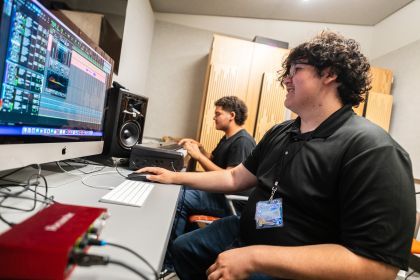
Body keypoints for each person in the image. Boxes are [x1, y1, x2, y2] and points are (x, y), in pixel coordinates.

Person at [140, 31, 415, 280]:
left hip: (292, 265)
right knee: (183, 248)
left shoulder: (373, 150)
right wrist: (174, 178)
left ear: (329, 74)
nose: (286, 79)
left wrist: (256, 256)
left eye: (296, 70)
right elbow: (236, 177)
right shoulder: (283, 131)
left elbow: (377, 268)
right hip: (248, 231)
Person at [162, 96, 256, 275]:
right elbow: (213, 161)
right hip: (219, 194)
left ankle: (169, 264)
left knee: (181, 198)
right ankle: (181, 248)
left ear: (232, 115)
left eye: (218, 114)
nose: (214, 117)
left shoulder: (243, 142)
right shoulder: (228, 138)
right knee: (180, 189)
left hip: (229, 200)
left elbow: (228, 177)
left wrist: (198, 156)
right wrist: (200, 149)